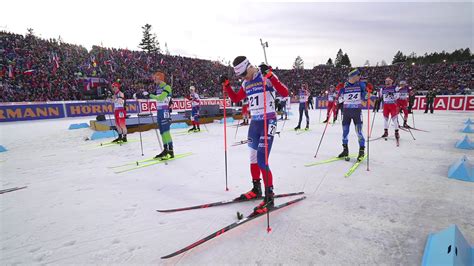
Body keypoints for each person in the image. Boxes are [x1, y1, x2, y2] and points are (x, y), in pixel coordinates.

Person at [219, 56, 289, 214]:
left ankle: (269, 196)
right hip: (255, 124)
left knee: (262, 160)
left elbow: (285, 93)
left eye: (244, 74)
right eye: (241, 76)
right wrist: (228, 86)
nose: (243, 78)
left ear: (249, 67)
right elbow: (237, 98)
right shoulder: (245, 82)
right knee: (253, 158)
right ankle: (256, 188)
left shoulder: (265, 76)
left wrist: (271, 76)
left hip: (268, 121)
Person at [336, 69, 370, 161]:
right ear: (354, 76)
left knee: (359, 132)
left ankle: (361, 151)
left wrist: (366, 95)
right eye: (358, 75)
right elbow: (339, 100)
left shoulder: (361, 86)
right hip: (346, 112)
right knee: (345, 132)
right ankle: (345, 150)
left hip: (357, 112)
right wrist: (338, 97)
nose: (360, 77)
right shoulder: (344, 87)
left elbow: (364, 100)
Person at [148, 72, 174, 160]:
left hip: (165, 111)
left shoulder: (167, 87)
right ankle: (165, 150)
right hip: (159, 111)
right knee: (162, 132)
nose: (154, 80)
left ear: (160, 78)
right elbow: (153, 96)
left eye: (155, 78)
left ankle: (170, 151)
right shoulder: (158, 88)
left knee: (166, 131)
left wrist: (150, 95)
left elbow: (160, 98)